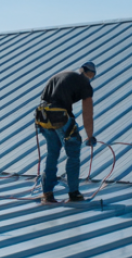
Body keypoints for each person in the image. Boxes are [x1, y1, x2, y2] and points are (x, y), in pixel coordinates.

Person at [35, 61, 98, 203]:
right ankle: (74, 193)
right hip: (60, 117)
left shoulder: (60, 76)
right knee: (73, 153)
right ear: (90, 74)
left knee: (52, 153)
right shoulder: (84, 82)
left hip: (43, 117)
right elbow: (87, 112)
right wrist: (90, 136)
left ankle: (47, 193)